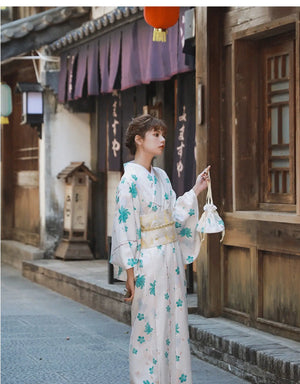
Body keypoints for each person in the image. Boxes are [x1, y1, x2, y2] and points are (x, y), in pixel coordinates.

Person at [110, 114, 210, 384]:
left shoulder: (162, 177)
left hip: (170, 259)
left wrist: (195, 191)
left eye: (163, 134)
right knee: (147, 327)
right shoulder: (129, 182)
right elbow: (125, 228)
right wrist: (130, 275)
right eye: (156, 134)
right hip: (147, 262)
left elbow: (174, 215)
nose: (163, 139)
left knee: (174, 325)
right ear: (139, 140)